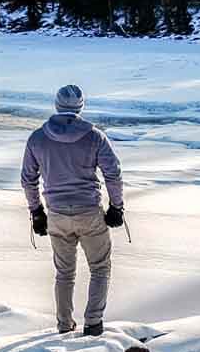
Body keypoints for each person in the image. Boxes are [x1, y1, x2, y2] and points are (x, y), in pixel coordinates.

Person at [20, 84, 125, 337]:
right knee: (100, 268)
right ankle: (93, 323)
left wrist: (37, 212)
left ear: (56, 105)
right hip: (89, 212)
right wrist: (116, 207)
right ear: (81, 107)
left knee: (64, 273)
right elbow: (113, 173)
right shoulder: (94, 136)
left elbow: (28, 179)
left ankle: (64, 325)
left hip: (56, 214)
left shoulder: (37, 138)